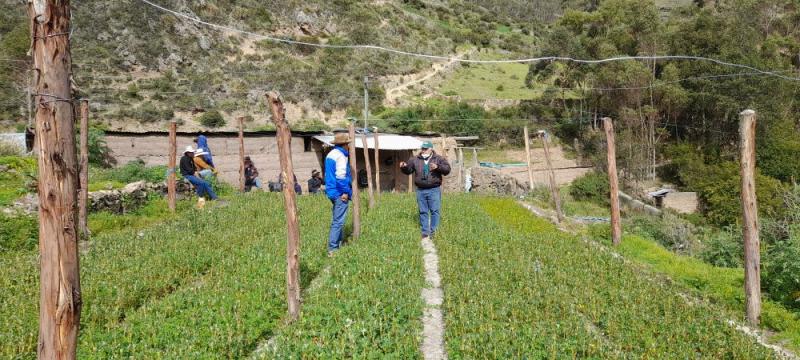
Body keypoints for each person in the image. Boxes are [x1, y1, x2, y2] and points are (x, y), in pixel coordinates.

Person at [400, 141, 451, 239]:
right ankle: (425, 231)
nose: (423, 150)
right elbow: (409, 171)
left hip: (434, 189)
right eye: (422, 148)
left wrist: (438, 167)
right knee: (423, 211)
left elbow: (447, 170)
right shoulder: (414, 159)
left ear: (431, 149)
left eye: (426, 148)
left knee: (435, 211)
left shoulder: (438, 159)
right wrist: (404, 167)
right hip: (420, 190)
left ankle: (434, 231)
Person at [325, 133, 352, 256]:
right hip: (339, 192)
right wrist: (345, 192)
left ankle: (338, 244)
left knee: (337, 219)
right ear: (345, 145)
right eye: (348, 144)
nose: (349, 146)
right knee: (338, 221)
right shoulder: (341, 156)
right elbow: (341, 176)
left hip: (331, 190)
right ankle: (333, 249)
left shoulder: (331, 154)